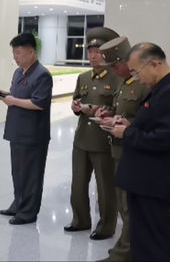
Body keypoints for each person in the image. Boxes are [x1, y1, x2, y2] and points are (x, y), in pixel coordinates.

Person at [104, 43, 170, 262]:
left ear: (154, 64)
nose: (135, 78)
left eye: (136, 72)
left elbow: (164, 139)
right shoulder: (163, 88)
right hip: (146, 181)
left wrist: (126, 133)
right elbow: (155, 127)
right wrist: (130, 125)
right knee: (143, 240)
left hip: (154, 182)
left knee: (153, 243)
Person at [94, 36, 150, 262]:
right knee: (122, 204)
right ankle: (125, 246)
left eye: (115, 66)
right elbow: (123, 110)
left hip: (132, 152)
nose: (112, 71)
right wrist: (109, 114)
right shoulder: (123, 82)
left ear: (127, 61)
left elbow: (148, 122)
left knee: (128, 206)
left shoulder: (144, 85)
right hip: (117, 150)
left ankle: (124, 253)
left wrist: (126, 124)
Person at [65, 27, 122, 240]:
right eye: (90, 52)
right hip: (82, 139)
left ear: (106, 54)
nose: (93, 56)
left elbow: (120, 109)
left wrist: (101, 111)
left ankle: (106, 226)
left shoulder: (116, 79)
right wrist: (76, 107)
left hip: (103, 141)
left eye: (97, 52)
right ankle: (80, 220)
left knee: (105, 187)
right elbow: (76, 101)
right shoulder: (83, 77)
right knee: (78, 184)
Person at [0, 32, 53, 225]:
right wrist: (6, 95)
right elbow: (18, 95)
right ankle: (18, 204)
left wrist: (13, 100)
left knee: (31, 175)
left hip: (33, 134)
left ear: (31, 52)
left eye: (18, 53)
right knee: (18, 172)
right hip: (17, 130)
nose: (15, 57)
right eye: (14, 53)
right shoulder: (18, 72)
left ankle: (28, 212)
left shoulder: (42, 74)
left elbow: (39, 103)